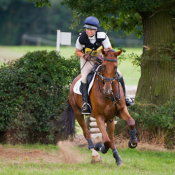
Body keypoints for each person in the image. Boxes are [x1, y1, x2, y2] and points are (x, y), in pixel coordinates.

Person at [75, 16, 134, 115]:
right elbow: (77, 51)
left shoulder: (102, 36)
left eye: (92, 29)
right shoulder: (81, 38)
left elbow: (109, 49)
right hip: (87, 59)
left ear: (96, 29)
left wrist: (103, 56)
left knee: (120, 74)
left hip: (102, 58)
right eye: (87, 29)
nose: (89, 31)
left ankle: (126, 97)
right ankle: (86, 104)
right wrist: (85, 55)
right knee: (84, 78)